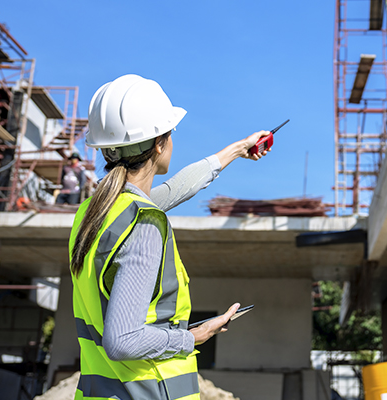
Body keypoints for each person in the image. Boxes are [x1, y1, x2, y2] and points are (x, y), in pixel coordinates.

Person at [69, 74, 271, 399]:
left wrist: (238, 149)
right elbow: (123, 340)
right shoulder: (143, 223)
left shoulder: (96, 213)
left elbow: (176, 189)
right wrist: (194, 336)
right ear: (160, 143)